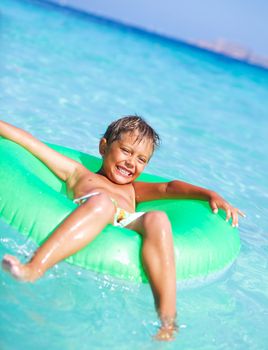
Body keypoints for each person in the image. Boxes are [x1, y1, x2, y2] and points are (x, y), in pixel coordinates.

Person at [0, 116, 245, 341]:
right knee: (104, 203)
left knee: (158, 218)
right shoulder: (78, 172)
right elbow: (28, 141)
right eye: (126, 151)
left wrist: (209, 194)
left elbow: (169, 187)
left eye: (141, 159)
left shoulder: (134, 189)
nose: (131, 163)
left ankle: (168, 321)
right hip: (94, 210)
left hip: (123, 221)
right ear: (103, 147)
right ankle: (34, 267)